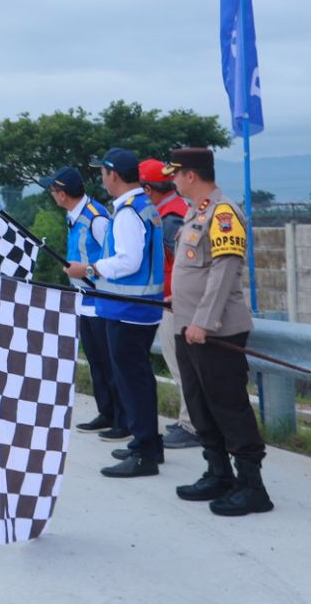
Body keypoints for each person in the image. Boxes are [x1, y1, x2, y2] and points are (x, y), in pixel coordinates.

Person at [162, 147, 273, 516]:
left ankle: (252, 486)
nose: (173, 181)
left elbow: (224, 270)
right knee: (199, 403)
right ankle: (218, 472)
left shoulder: (224, 213)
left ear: (190, 175)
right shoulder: (197, 211)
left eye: (175, 174)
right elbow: (195, 270)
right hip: (188, 326)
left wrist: (204, 321)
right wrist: (177, 301)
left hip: (215, 331)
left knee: (228, 406)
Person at [65, 148, 165, 479]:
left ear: (114, 175)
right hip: (137, 308)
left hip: (127, 310)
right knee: (138, 379)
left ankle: (145, 451)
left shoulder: (126, 213)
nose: (102, 180)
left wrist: (89, 268)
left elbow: (128, 261)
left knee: (132, 380)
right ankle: (145, 442)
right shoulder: (142, 206)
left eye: (103, 174)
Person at [37, 166, 121, 438]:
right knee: (96, 361)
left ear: (62, 194)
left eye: (53, 190)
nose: (52, 194)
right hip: (82, 299)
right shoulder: (74, 216)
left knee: (109, 363)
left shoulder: (96, 218)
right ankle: (106, 412)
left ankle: (122, 419)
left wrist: (84, 270)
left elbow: (113, 259)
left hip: (100, 299)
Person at [139, 157, 198, 450]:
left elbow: (186, 264)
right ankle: (188, 419)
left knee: (180, 366)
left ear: (148, 189)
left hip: (176, 302)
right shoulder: (174, 211)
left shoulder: (169, 218)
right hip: (176, 300)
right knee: (181, 365)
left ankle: (193, 425)